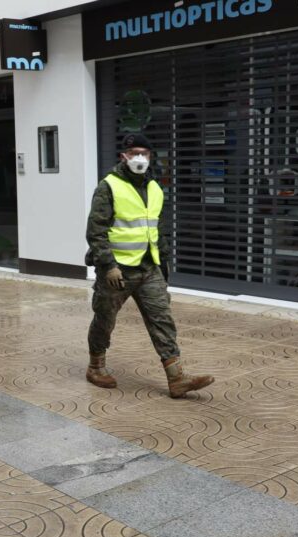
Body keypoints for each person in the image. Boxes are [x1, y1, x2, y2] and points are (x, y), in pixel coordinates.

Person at [84, 133, 214, 398]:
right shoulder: (108, 186)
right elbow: (96, 231)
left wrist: (163, 264)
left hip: (148, 268)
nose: (139, 158)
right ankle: (96, 366)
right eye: (134, 153)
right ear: (124, 156)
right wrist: (108, 265)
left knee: (162, 319)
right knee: (105, 319)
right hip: (117, 271)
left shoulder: (155, 187)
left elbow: (158, 230)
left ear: (151, 156)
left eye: (145, 152)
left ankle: (176, 378)